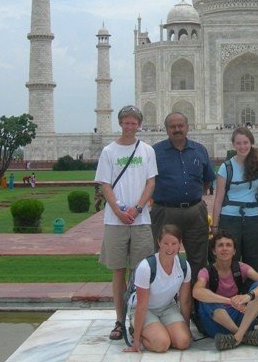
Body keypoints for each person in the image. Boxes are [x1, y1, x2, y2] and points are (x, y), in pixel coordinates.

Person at [95, 105, 158, 341]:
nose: (130, 127)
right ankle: (119, 321)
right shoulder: (109, 151)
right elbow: (105, 184)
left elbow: (151, 183)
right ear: (120, 123)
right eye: (126, 122)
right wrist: (118, 210)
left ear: (139, 125)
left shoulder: (146, 150)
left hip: (141, 219)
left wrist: (138, 207)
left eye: (134, 123)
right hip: (115, 221)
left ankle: (137, 319)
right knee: (119, 271)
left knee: (140, 272)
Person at [151, 112, 216, 284]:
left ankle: (196, 305)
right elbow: (148, 182)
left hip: (195, 211)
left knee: (198, 259)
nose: (177, 129)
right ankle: (166, 304)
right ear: (166, 130)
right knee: (164, 258)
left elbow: (207, 181)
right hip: (166, 211)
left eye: (180, 126)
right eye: (173, 127)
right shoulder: (155, 152)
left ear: (187, 127)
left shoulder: (199, 150)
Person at [192, 230, 258, 351]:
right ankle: (243, 336)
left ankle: (235, 338)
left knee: (257, 289)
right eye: (220, 245)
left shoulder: (241, 268)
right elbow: (196, 292)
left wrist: (248, 296)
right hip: (217, 322)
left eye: (228, 245)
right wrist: (230, 301)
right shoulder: (206, 271)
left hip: (241, 319)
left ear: (234, 251)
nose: (224, 248)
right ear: (214, 251)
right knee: (205, 297)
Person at [124, 224, 192, 353]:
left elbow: (185, 302)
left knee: (183, 342)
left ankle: (160, 330)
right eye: (166, 243)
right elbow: (142, 306)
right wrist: (136, 342)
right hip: (145, 309)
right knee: (161, 344)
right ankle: (136, 332)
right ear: (159, 242)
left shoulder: (184, 266)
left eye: (174, 243)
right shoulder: (146, 267)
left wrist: (186, 328)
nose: (170, 248)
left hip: (167, 307)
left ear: (180, 244)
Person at [211, 127, 258, 273]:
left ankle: (253, 294)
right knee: (229, 260)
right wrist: (215, 227)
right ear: (234, 145)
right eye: (239, 143)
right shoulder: (226, 167)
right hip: (229, 219)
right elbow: (218, 199)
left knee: (253, 260)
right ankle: (230, 294)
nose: (242, 147)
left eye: (245, 143)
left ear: (251, 143)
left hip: (253, 219)